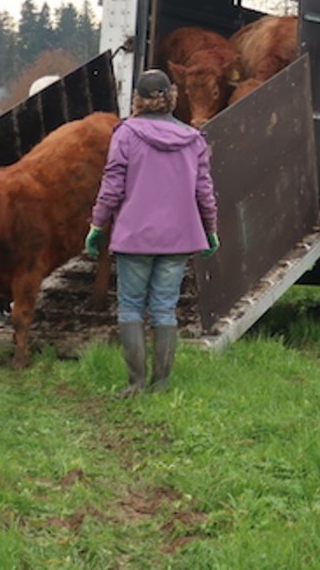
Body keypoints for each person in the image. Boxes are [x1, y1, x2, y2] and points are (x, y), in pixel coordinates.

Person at [84, 69, 219, 397]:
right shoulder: (194, 139)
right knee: (164, 307)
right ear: (172, 97)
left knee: (131, 306)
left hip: (135, 237)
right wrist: (211, 228)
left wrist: (97, 224)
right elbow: (204, 191)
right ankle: (161, 384)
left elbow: (112, 186)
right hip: (178, 239)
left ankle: (136, 384)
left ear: (139, 100)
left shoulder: (126, 134)